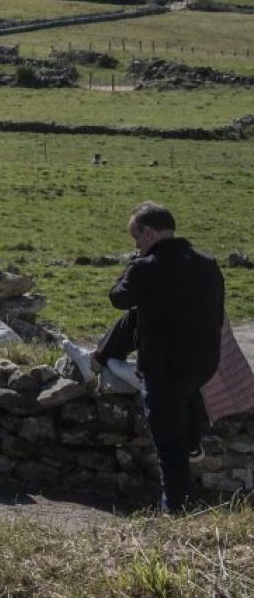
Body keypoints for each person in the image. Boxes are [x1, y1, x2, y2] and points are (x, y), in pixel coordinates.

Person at [94, 202, 227, 512]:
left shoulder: (146, 267)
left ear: (149, 233)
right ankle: (194, 441)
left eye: (136, 238)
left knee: (169, 448)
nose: (136, 245)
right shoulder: (207, 263)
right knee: (188, 398)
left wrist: (131, 266)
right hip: (204, 362)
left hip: (165, 368)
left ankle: (177, 511)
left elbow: (119, 298)